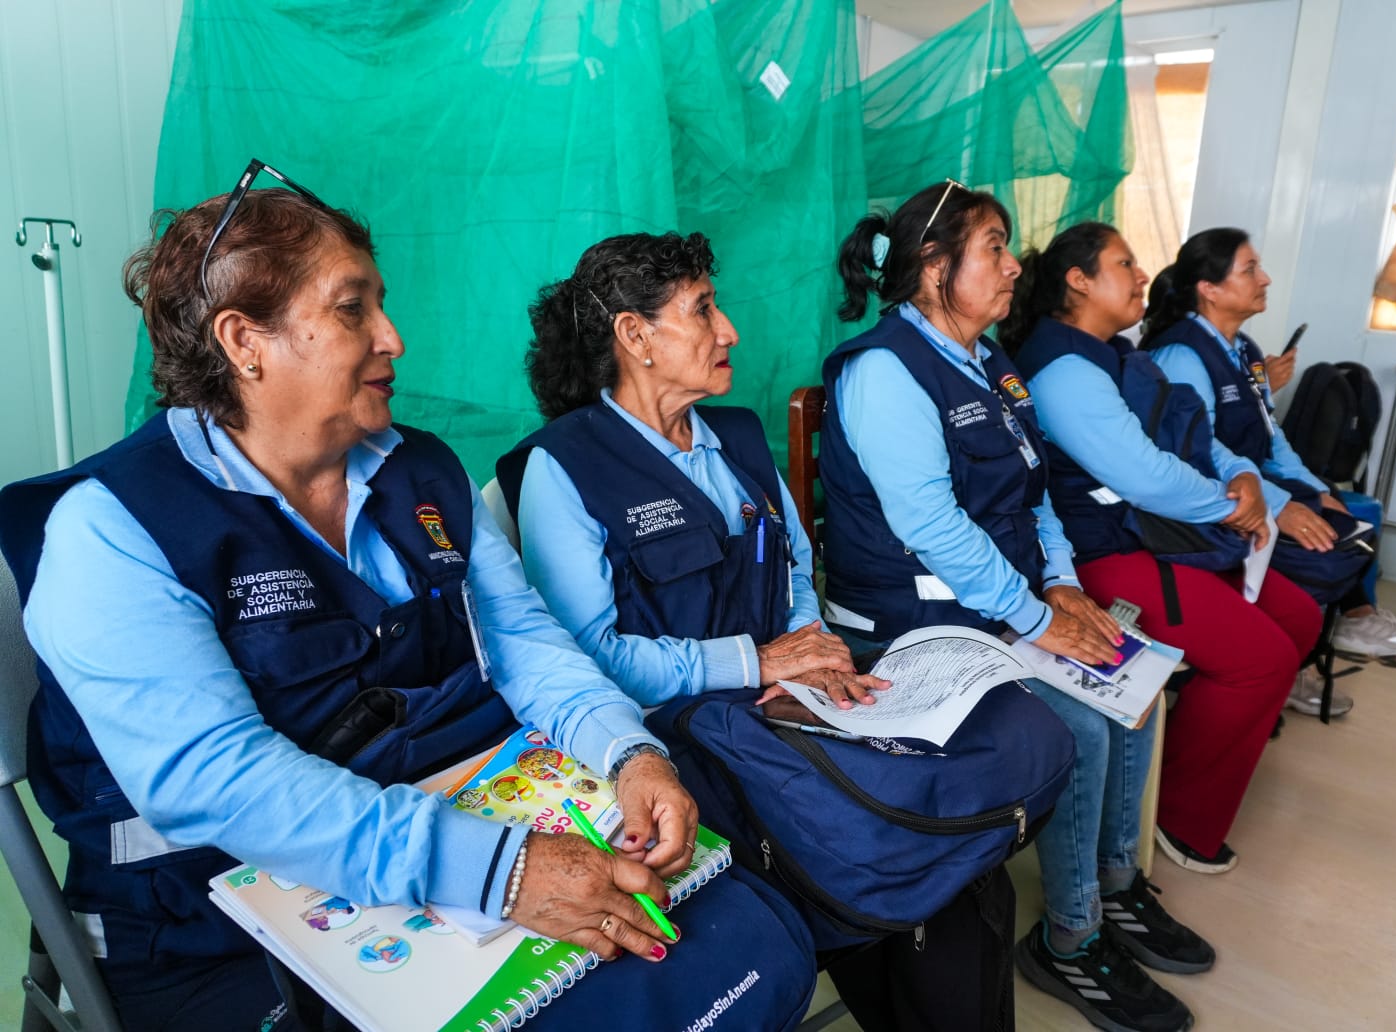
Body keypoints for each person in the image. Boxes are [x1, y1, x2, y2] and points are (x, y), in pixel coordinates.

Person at [0, 170, 814, 1031]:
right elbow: (221, 783)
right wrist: (499, 871)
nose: (394, 337)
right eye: (353, 309)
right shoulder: (113, 532)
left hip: (449, 844)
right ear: (246, 341)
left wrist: (630, 755)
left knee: (732, 951)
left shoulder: (419, 471)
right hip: (218, 929)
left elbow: (526, 644)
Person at [497, 229, 1021, 1032]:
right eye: (703, 309)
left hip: (792, 702)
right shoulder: (561, 468)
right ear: (634, 337)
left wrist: (811, 650)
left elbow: (796, 569)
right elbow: (587, 658)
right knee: (898, 853)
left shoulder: (736, 437)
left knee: (963, 853)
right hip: (681, 737)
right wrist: (757, 660)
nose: (730, 328)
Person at [822, 183, 1211, 1032]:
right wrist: (1037, 620)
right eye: (994, 247)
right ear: (933, 269)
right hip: (905, 627)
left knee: (1130, 688)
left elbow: (1034, 496)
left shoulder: (991, 361)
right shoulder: (885, 371)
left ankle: (1116, 888)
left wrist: (1064, 586)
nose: (1013, 265)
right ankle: (1069, 941)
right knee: (1078, 721)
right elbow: (931, 526)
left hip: (1001, 605)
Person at [1002, 221, 1322, 877]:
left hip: (1163, 532)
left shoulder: (1112, 351)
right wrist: (1234, 505)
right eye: (1125, 263)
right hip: (1102, 554)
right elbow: (1142, 475)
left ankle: (1205, 759)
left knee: (1298, 616)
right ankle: (1178, 815)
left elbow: (1194, 435)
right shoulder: (1063, 367)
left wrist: (1246, 481)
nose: (1143, 275)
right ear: (1079, 280)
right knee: (1263, 658)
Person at [1141, 227, 1396, 718]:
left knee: (1345, 516)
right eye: (1249, 269)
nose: (1265, 279)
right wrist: (1281, 505)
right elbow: (1199, 448)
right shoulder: (1181, 355)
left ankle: (1323, 641)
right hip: (1217, 492)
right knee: (1326, 541)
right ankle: (1307, 653)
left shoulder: (1243, 349)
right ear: (1210, 288)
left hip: (1257, 479)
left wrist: (1315, 489)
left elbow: (1271, 434)